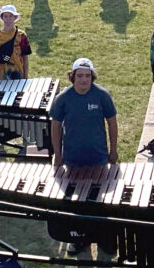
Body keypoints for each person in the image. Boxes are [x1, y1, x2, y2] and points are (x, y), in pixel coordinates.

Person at [50, 57, 117, 253]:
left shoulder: (102, 95)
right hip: (73, 160)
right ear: (73, 77)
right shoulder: (63, 98)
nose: (84, 80)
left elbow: (112, 123)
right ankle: (79, 239)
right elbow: (55, 128)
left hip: (98, 158)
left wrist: (113, 150)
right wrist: (57, 155)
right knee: (77, 203)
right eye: (80, 76)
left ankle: (105, 241)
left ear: (92, 77)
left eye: (87, 76)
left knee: (102, 202)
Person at [0, 5, 31, 80]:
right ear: (2, 18)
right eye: (5, 16)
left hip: (19, 72)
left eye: (10, 16)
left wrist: (26, 77)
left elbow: (25, 57)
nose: (8, 19)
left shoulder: (22, 35)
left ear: (15, 17)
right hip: (3, 74)